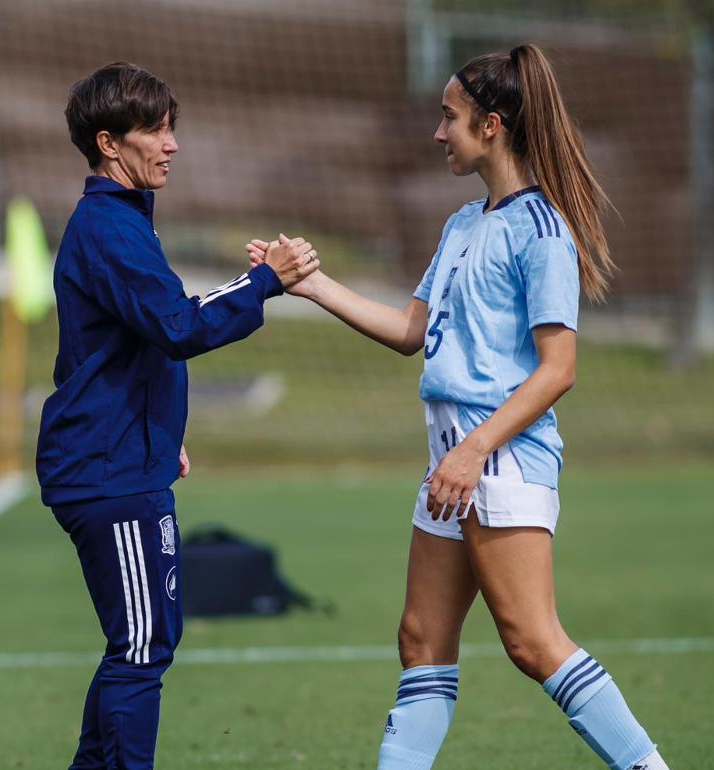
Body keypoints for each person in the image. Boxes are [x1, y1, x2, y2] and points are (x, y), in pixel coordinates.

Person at [248, 44, 668, 770]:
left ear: (493, 126)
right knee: (421, 641)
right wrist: (310, 286)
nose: (439, 133)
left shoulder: (543, 233)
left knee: (532, 643)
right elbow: (413, 332)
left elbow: (558, 369)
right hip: (454, 457)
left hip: (498, 458)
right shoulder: (461, 225)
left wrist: (473, 454)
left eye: (450, 118)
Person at [38, 61, 319, 770]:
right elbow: (178, 326)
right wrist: (264, 281)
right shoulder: (108, 227)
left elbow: (114, 348)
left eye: (172, 129)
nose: (172, 144)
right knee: (141, 647)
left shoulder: (121, 222)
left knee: (140, 643)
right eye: (155, 131)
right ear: (109, 143)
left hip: (124, 457)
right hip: (107, 470)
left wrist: (161, 427)